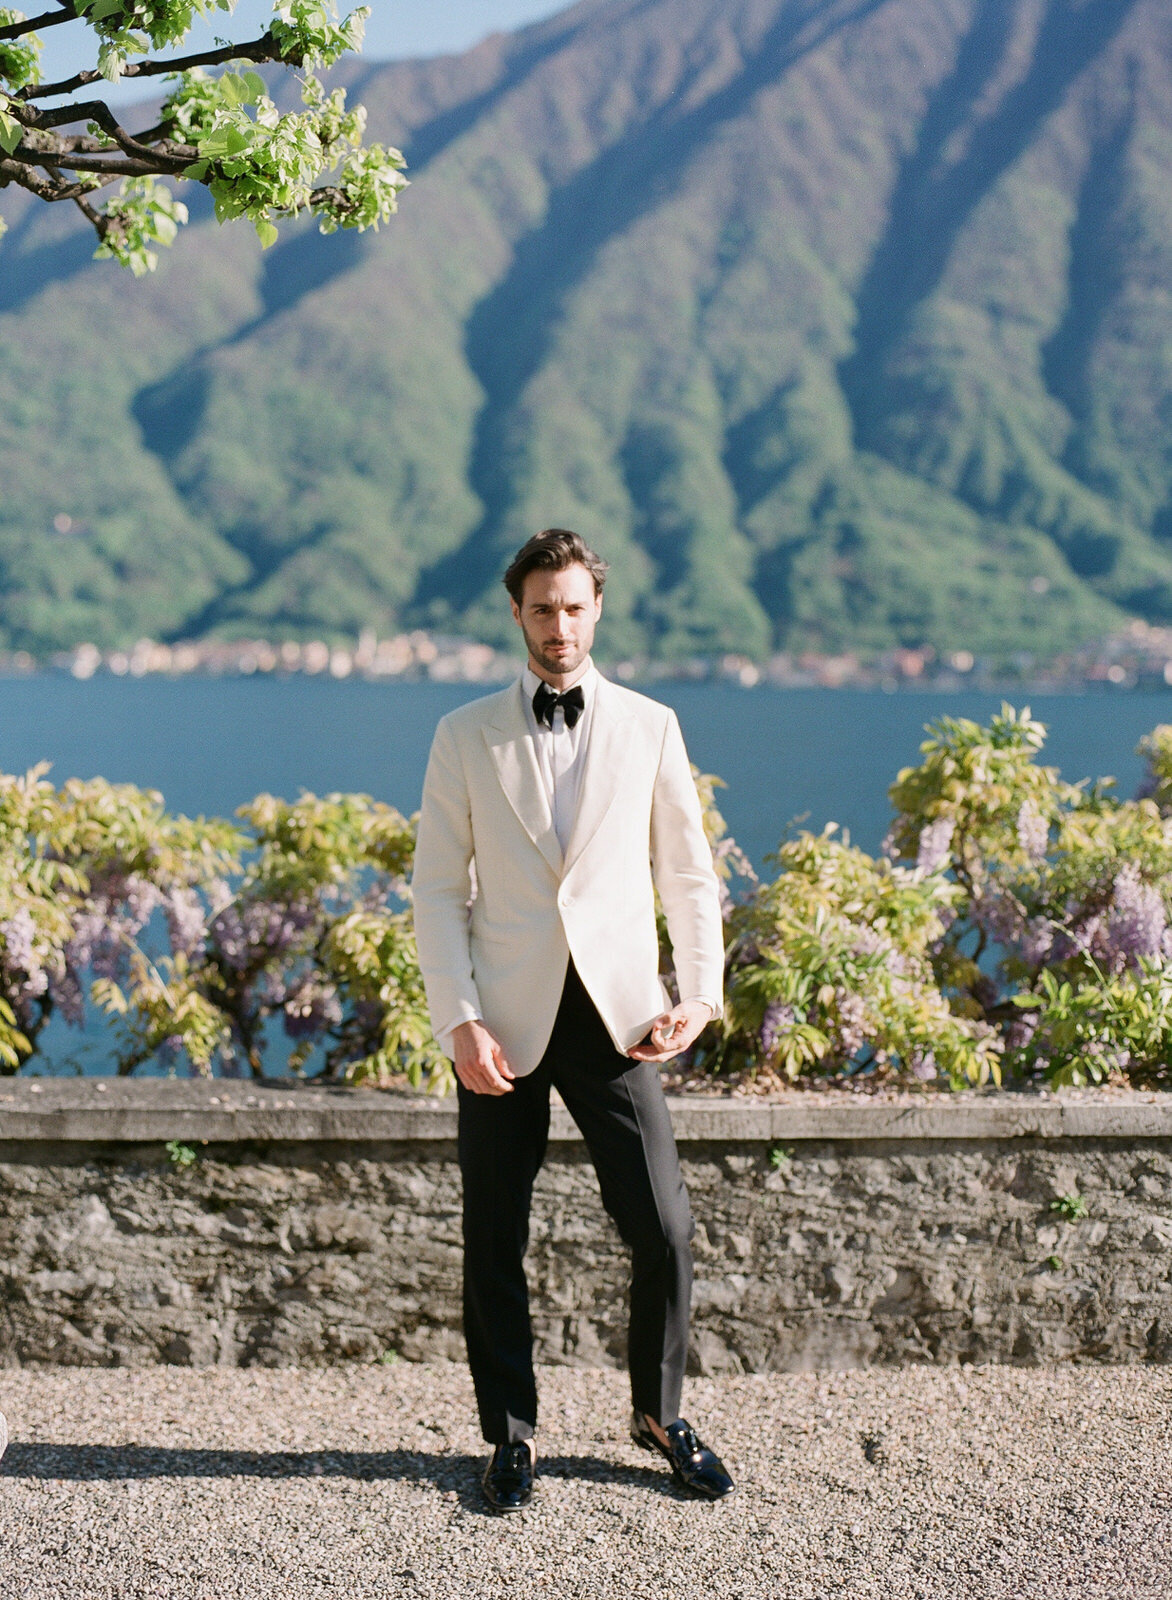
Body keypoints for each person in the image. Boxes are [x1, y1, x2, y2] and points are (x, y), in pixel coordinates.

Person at [411, 528, 734, 1512]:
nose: (559, 625)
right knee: (492, 1238)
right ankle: (509, 1434)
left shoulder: (650, 725)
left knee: (664, 1229)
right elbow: (434, 891)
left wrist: (700, 991)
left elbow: (684, 870)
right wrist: (457, 1020)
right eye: (541, 607)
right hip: (499, 1025)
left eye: (574, 606)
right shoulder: (463, 734)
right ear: (516, 613)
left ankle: (659, 1413)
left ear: (598, 609)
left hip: (618, 1019)